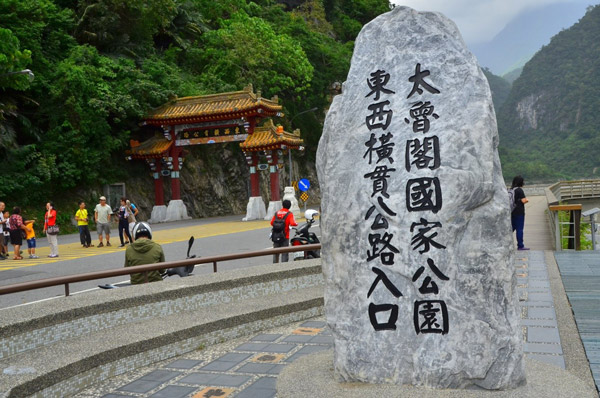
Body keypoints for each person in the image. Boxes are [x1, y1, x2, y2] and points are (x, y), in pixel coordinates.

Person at [511, 175, 530, 251]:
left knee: (511, 228)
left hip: (512, 211)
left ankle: (501, 241)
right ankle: (520, 245)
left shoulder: (511, 189)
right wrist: (527, 200)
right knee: (519, 229)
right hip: (519, 212)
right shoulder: (519, 190)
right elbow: (523, 200)